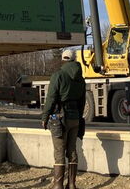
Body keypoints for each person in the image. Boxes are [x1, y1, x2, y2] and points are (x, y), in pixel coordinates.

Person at [42, 49, 86, 189]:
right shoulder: (81, 79)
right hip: (75, 118)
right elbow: (82, 101)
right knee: (72, 151)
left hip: (60, 118)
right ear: (74, 59)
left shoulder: (58, 75)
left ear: (63, 59)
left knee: (59, 152)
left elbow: (51, 98)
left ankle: (58, 185)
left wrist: (45, 116)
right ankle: (72, 184)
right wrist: (78, 116)